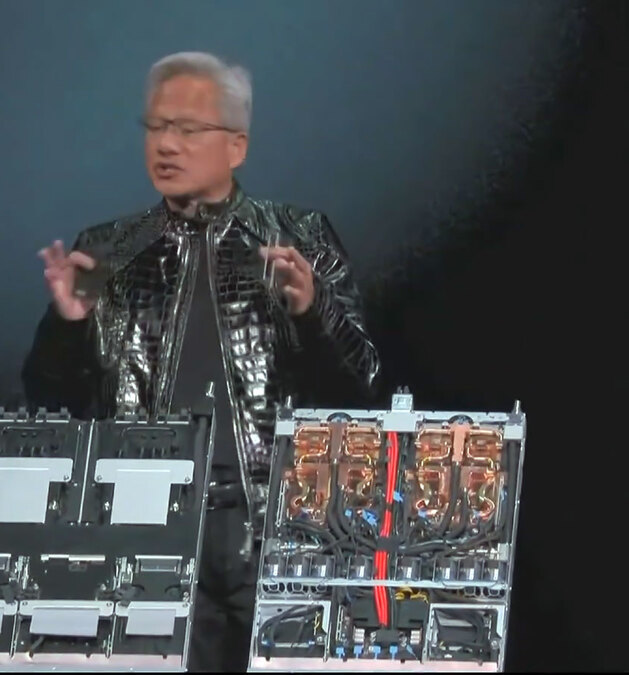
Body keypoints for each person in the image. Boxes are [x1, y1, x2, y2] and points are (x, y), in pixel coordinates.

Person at [21, 51, 380, 672]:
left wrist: (312, 311)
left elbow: (363, 386)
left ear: (236, 146)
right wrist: (67, 325)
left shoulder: (298, 238)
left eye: (188, 128)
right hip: (147, 528)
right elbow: (50, 403)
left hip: (271, 524)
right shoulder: (107, 251)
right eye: (157, 127)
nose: (166, 144)